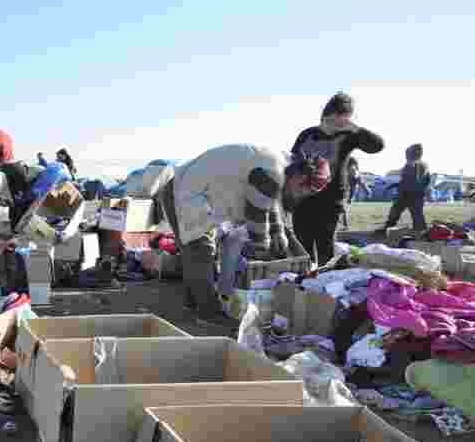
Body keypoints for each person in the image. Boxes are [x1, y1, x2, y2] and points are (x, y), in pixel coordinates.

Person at [152, 144, 331, 327]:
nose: (301, 196)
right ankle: (208, 313)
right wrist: (264, 249)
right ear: (301, 178)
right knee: (200, 252)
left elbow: (271, 205)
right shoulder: (271, 173)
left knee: (198, 253)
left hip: (195, 194)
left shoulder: (281, 167)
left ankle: (193, 304)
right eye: (303, 191)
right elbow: (256, 215)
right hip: (185, 194)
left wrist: (278, 234)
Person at [289, 92, 384, 265]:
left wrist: (355, 128)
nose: (338, 123)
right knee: (303, 247)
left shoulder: (349, 136)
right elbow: (293, 160)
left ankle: (323, 284)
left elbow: (377, 146)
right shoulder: (307, 134)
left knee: (326, 247)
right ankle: (303, 284)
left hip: (331, 201)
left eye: (345, 118)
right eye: (336, 117)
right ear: (328, 115)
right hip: (303, 199)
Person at [383, 144, 431, 232]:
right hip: (404, 194)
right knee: (395, 212)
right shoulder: (409, 165)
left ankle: (421, 231)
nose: (406, 157)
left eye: (407, 154)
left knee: (417, 216)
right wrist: (392, 177)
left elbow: (417, 179)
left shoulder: (421, 165)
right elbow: (404, 175)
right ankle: (387, 227)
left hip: (415, 196)